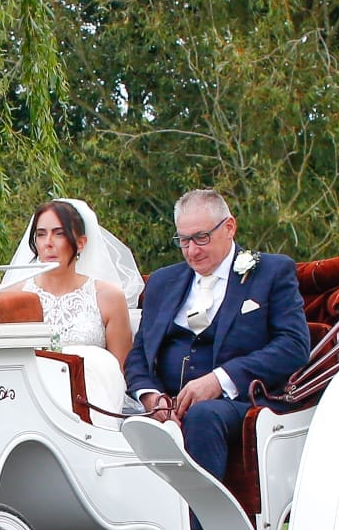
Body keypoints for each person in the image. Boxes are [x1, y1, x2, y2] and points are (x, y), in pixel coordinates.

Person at [124, 188, 311, 509]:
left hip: (242, 403)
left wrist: (219, 380)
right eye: (183, 241)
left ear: (229, 228)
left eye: (201, 238)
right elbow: (139, 354)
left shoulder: (271, 273)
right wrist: (149, 396)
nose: (192, 251)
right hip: (165, 405)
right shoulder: (162, 283)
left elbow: (293, 345)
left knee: (203, 415)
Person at [14, 199, 136, 413]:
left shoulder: (108, 297)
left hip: (94, 407)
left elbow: (121, 371)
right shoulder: (14, 297)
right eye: (41, 234)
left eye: (59, 233)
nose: (48, 243)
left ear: (80, 243)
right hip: (31, 407)